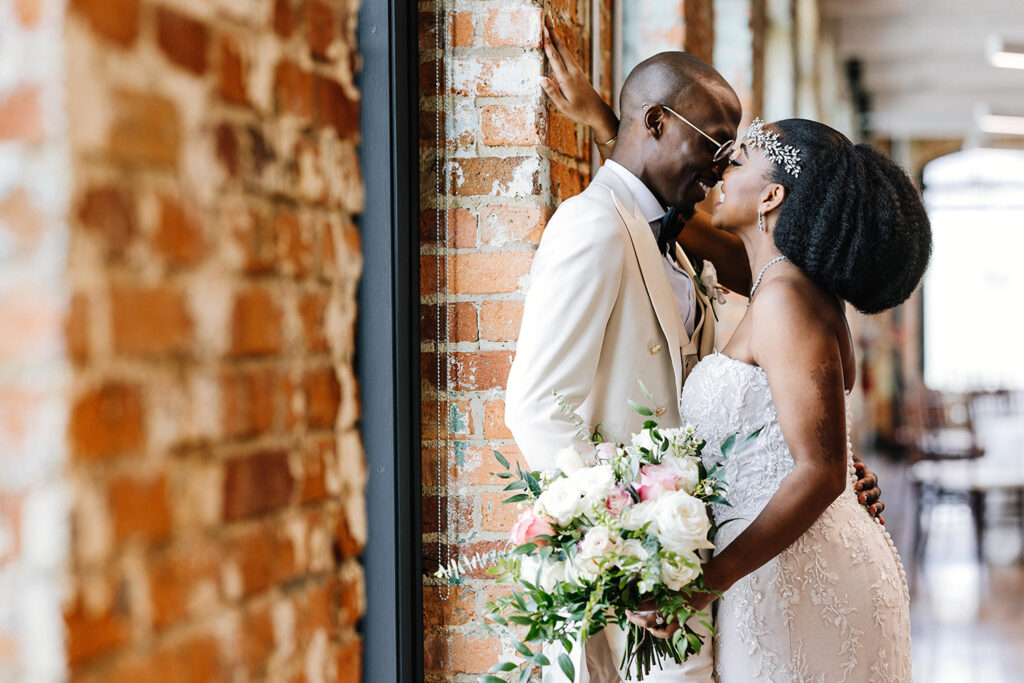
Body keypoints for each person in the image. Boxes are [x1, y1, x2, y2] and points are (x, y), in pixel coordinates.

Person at [505, 21, 885, 683]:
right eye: (717, 144)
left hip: (701, 572)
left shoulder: (679, 247)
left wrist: (829, 459)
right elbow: (538, 408)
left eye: (735, 154)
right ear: (655, 119)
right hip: (648, 578)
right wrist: (630, 545)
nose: (721, 164)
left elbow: (758, 375)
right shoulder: (593, 226)